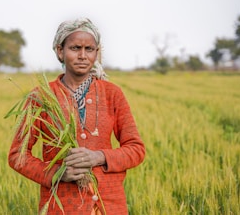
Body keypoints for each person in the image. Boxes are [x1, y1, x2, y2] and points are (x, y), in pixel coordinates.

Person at [8, 17, 145, 215]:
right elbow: (17, 156)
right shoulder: (42, 97)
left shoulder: (112, 94)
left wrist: (98, 156)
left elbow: (136, 149)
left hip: (109, 205)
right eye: (75, 48)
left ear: (97, 53)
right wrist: (57, 174)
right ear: (60, 51)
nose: (83, 56)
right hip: (61, 207)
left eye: (89, 49)